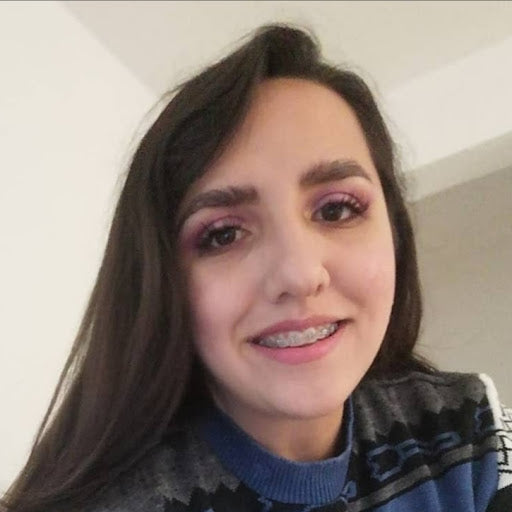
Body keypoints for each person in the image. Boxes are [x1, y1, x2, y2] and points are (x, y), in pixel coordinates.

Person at [2, 24, 511, 512]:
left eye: (337, 209)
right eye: (223, 234)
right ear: (163, 282)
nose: (299, 274)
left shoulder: (471, 430)